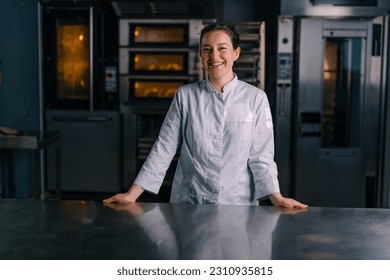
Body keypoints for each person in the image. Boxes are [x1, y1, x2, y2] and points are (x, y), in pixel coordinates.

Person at [104, 23, 308, 208]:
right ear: (201, 55)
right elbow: (164, 147)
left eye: (222, 48)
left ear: (236, 53)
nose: (214, 56)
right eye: (207, 49)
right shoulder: (185, 95)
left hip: (237, 204)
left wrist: (277, 197)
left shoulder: (255, 98)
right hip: (190, 201)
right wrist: (132, 194)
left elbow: (261, 157)